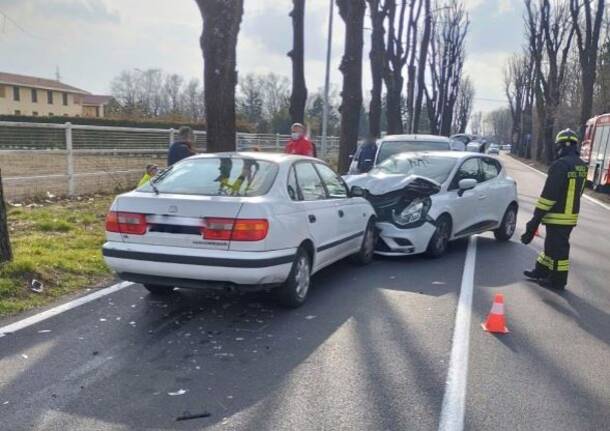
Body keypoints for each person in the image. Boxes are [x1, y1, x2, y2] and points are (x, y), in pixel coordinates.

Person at [521, 129, 587, 290]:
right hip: (570, 215)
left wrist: (535, 220)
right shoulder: (581, 165)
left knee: (558, 250)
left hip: (557, 215)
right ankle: (541, 271)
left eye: (558, 146)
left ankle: (558, 280)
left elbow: (548, 196)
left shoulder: (560, 165)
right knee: (551, 245)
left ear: (562, 146)